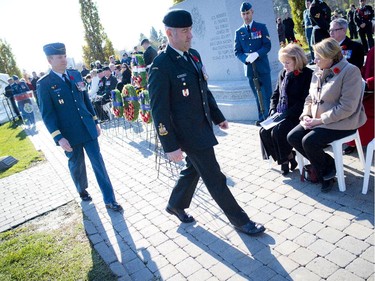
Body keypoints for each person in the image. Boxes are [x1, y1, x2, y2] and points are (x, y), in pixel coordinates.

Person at [148, 9, 265, 236]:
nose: (190, 35)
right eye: (184, 31)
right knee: (215, 177)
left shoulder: (194, 56)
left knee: (193, 169)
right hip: (188, 134)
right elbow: (159, 111)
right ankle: (241, 221)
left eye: (190, 29)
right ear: (169, 33)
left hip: (201, 127)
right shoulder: (161, 66)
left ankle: (176, 204)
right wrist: (170, 146)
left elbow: (203, 90)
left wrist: (217, 116)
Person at [37, 42, 122, 211]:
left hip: (87, 128)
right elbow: (47, 114)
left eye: (64, 56)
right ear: (50, 60)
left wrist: (96, 121)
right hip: (69, 135)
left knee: (99, 164)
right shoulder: (45, 84)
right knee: (77, 164)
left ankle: (110, 199)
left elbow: (85, 101)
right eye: (59, 57)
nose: (64, 59)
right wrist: (58, 137)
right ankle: (81, 189)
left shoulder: (75, 75)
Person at [287, 38, 367, 192]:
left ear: (330, 57)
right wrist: (306, 115)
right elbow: (310, 97)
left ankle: (326, 175)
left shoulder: (350, 71)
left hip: (344, 122)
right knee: (293, 137)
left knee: (309, 141)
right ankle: (328, 164)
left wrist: (319, 121)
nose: (314, 60)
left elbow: (347, 107)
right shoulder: (318, 70)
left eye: (318, 57)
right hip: (319, 120)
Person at [260, 44, 313, 175]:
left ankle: (284, 161)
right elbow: (275, 95)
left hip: (298, 114)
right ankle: (288, 156)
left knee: (278, 131)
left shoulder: (307, 75)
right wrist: (272, 111)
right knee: (264, 132)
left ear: (297, 60)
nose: (285, 66)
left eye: (287, 62)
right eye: (283, 62)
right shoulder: (283, 73)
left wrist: (285, 115)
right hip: (281, 112)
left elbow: (304, 101)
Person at [234, 2, 272, 126]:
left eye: (248, 13)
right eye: (243, 14)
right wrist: (245, 59)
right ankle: (262, 117)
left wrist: (257, 54)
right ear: (241, 15)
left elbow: (267, 45)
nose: (246, 16)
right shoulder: (239, 32)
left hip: (262, 65)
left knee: (267, 92)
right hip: (250, 68)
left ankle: (271, 115)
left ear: (252, 12)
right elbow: (237, 51)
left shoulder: (261, 27)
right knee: (257, 93)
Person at [344, 46, 374, 154]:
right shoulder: (372, 50)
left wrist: (368, 83)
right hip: (367, 91)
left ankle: (356, 141)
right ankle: (352, 141)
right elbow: (366, 68)